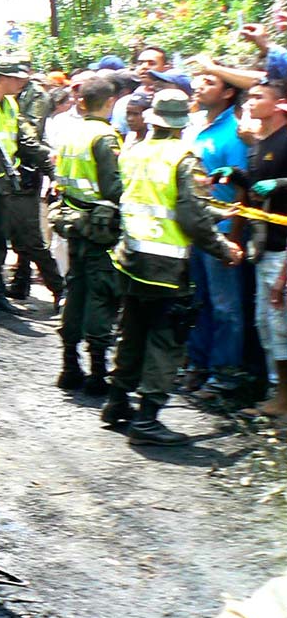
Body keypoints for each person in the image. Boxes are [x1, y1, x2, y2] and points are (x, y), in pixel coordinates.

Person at [102, 89, 245, 444]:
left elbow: (157, 199)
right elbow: (189, 216)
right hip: (165, 267)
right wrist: (223, 246)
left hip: (131, 259)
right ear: (183, 123)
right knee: (166, 338)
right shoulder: (185, 158)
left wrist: (215, 210)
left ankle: (117, 402)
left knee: (132, 330)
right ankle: (147, 420)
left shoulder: (137, 152)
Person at [180, 73, 251, 405]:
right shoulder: (195, 125)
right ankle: (198, 364)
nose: (199, 86)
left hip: (222, 232)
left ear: (227, 92)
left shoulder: (233, 132)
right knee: (201, 302)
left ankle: (223, 375)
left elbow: (241, 188)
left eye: (209, 82)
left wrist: (234, 238)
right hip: (196, 228)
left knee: (226, 307)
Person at [51, 74, 123, 393]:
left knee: (75, 289)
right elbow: (114, 188)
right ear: (110, 103)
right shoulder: (105, 137)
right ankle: (96, 372)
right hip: (99, 228)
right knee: (101, 294)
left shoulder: (70, 133)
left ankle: (69, 365)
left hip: (72, 222)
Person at [224, 80, 287, 418]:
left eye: (258, 97)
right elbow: (258, 189)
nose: (250, 101)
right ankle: (275, 395)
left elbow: (275, 186)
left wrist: (279, 183)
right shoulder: (261, 142)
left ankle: (282, 401)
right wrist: (236, 176)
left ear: (281, 104)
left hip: (283, 251)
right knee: (267, 324)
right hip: (264, 247)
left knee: (281, 325)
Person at [0, 55, 63, 311]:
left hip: (6, 182)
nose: (23, 82)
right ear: (4, 78)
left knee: (4, 239)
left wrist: (50, 165)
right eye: (18, 78)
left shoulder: (10, 104)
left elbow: (25, 140)